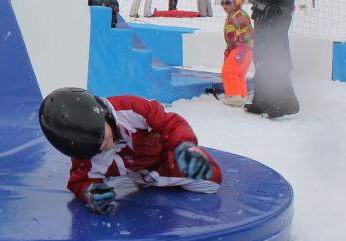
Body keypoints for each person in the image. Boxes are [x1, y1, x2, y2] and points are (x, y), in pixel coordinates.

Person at [39, 87, 222, 215]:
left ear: (102, 115)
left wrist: (185, 147)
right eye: (97, 150)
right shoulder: (84, 151)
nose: (107, 147)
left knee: (211, 179)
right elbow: (79, 180)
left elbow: (170, 123)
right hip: (134, 172)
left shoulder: (130, 109)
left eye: (104, 139)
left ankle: (189, 159)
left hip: (162, 157)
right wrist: (91, 193)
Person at [220, 0, 254, 107]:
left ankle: (234, 97)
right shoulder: (232, 14)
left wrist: (241, 49)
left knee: (229, 72)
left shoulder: (239, 14)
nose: (224, 5)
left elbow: (247, 31)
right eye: (222, 2)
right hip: (242, 49)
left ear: (236, 2)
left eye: (228, 3)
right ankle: (241, 95)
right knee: (239, 74)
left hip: (242, 48)